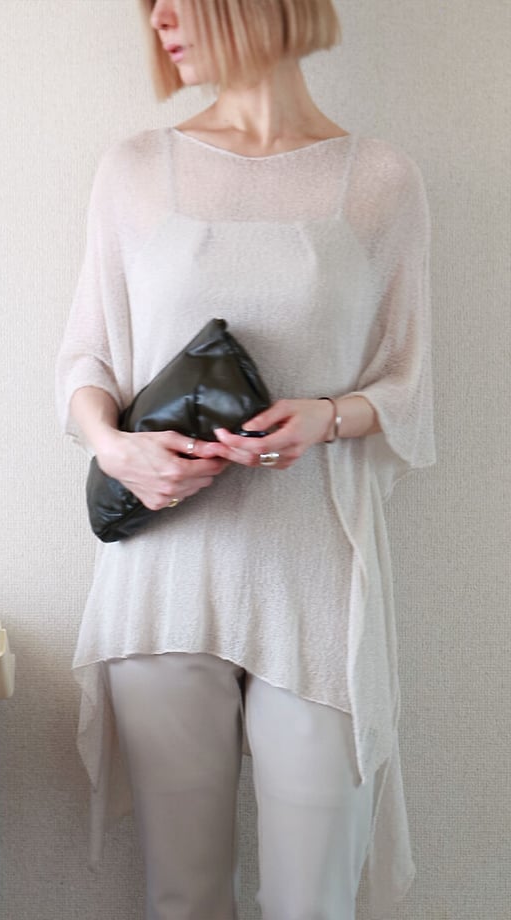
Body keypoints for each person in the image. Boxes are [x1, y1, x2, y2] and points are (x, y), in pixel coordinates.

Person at [55, 1, 435, 918]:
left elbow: (408, 386)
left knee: (315, 903)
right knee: (184, 898)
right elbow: (85, 361)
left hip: (315, 584)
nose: (158, 18)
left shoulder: (380, 180)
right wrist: (117, 449)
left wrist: (328, 417)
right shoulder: (135, 169)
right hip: (164, 582)